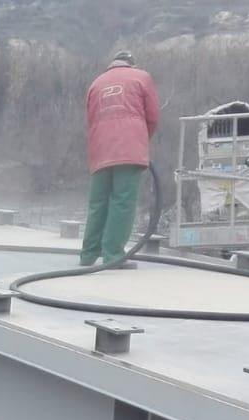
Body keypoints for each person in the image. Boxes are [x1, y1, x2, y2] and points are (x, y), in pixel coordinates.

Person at [80, 51, 160, 268]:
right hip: (130, 148)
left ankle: (88, 254)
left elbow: (90, 118)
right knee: (122, 201)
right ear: (132, 64)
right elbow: (152, 116)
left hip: (100, 148)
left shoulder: (96, 84)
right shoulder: (141, 77)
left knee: (98, 202)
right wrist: (140, 142)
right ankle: (113, 255)